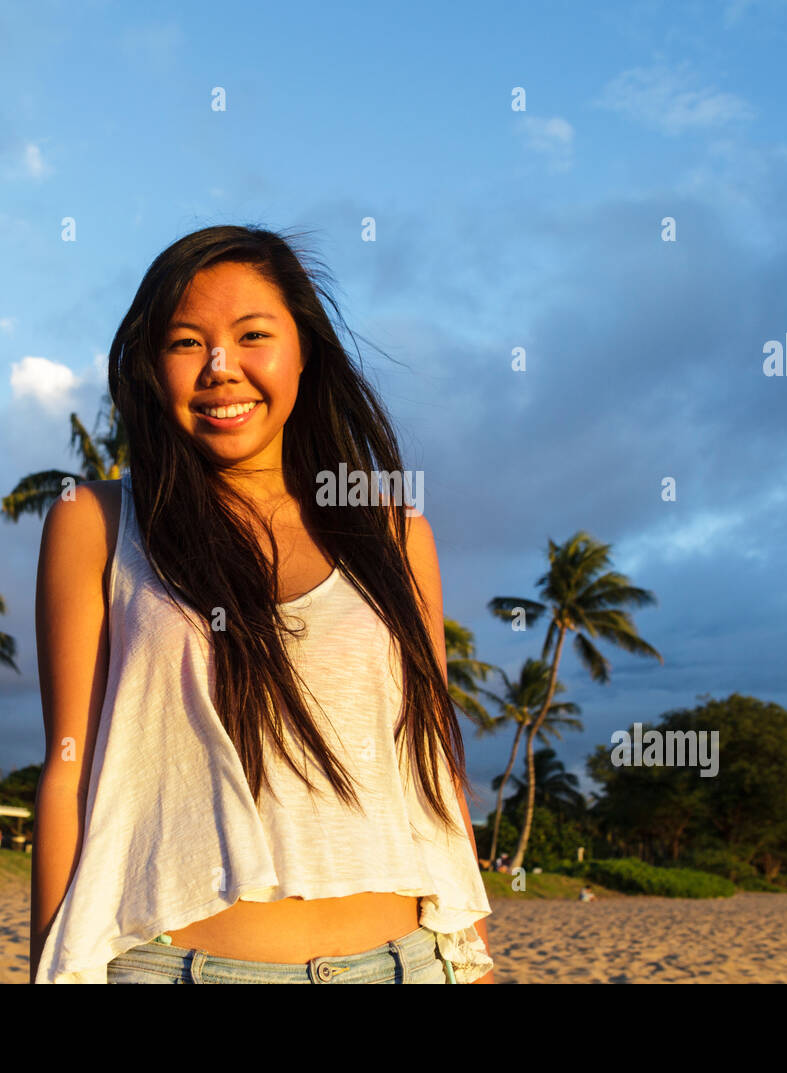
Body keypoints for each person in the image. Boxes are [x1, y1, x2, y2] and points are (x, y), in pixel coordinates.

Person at [31, 228, 494, 987]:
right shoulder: (98, 522)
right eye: (187, 342)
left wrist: (470, 954)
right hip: (178, 968)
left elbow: (433, 759)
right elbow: (67, 774)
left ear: (302, 351)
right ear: (152, 365)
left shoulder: (393, 532)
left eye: (253, 335)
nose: (221, 368)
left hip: (405, 964)